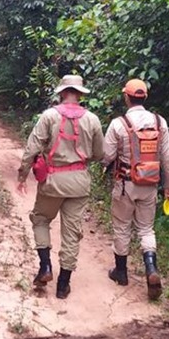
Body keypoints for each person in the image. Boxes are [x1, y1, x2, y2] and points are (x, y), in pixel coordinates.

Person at [16, 75, 104, 299]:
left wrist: (22, 175)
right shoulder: (92, 119)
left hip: (52, 182)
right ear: (81, 94)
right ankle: (63, 284)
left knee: (41, 219)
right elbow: (98, 154)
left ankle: (45, 267)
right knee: (72, 233)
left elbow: (32, 147)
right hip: (79, 183)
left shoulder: (49, 116)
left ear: (62, 93)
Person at [103, 79, 169, 300]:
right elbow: (167, 159)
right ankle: (151, 269)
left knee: (122, 227)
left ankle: (121, 272)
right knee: (146, 229)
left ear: (126, 97)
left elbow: (106, 156)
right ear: (145, 97)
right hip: (150, 185)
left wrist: (105, 165)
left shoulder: (118, 124)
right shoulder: (159, 122)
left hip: (125, 184)